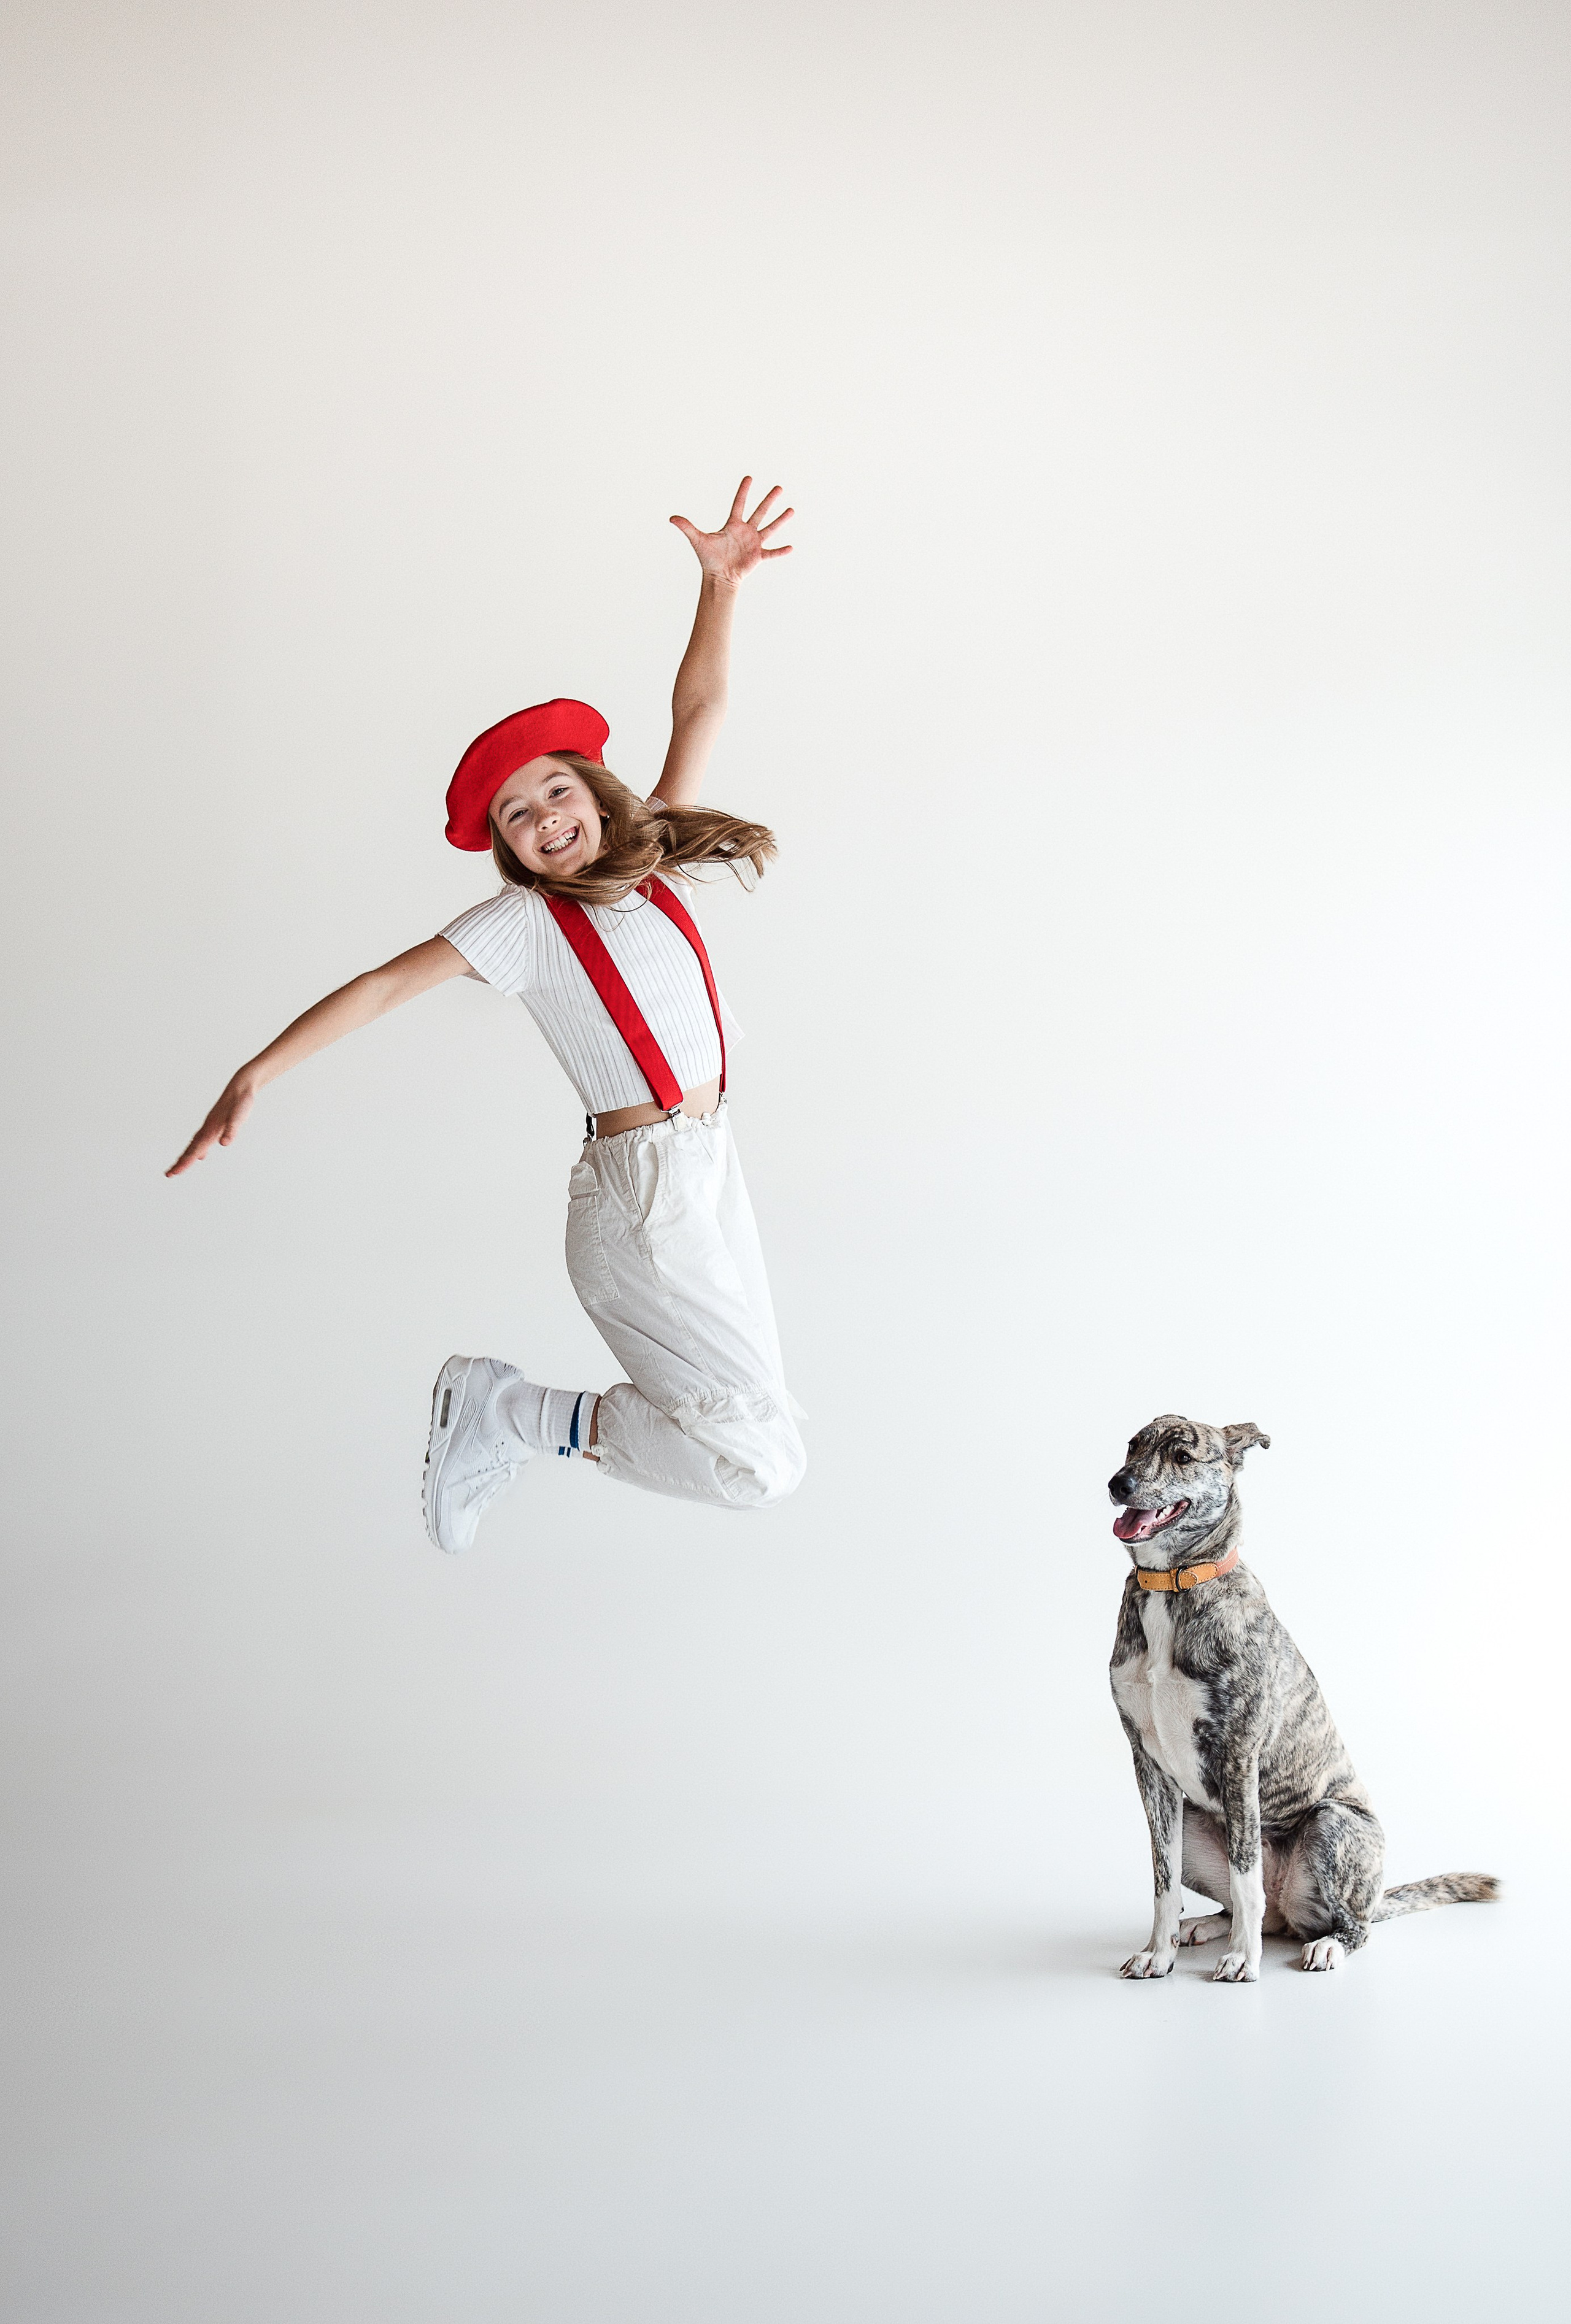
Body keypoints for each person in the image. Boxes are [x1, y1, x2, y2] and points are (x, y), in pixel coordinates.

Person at [169, 477, 807, 1549]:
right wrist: (255, 1074)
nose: (543, 817)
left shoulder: (650, 857)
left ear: (594, 793)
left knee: (767, 1436)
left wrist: (720, 587)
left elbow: (698, 710)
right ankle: (505, 1414)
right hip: (643, 1200)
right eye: (516, 815)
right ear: (509, 850)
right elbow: (381, 985)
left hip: (709, 1168)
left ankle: (505, 1414)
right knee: (757, 1464)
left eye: (555, 791)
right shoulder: (523, 926)